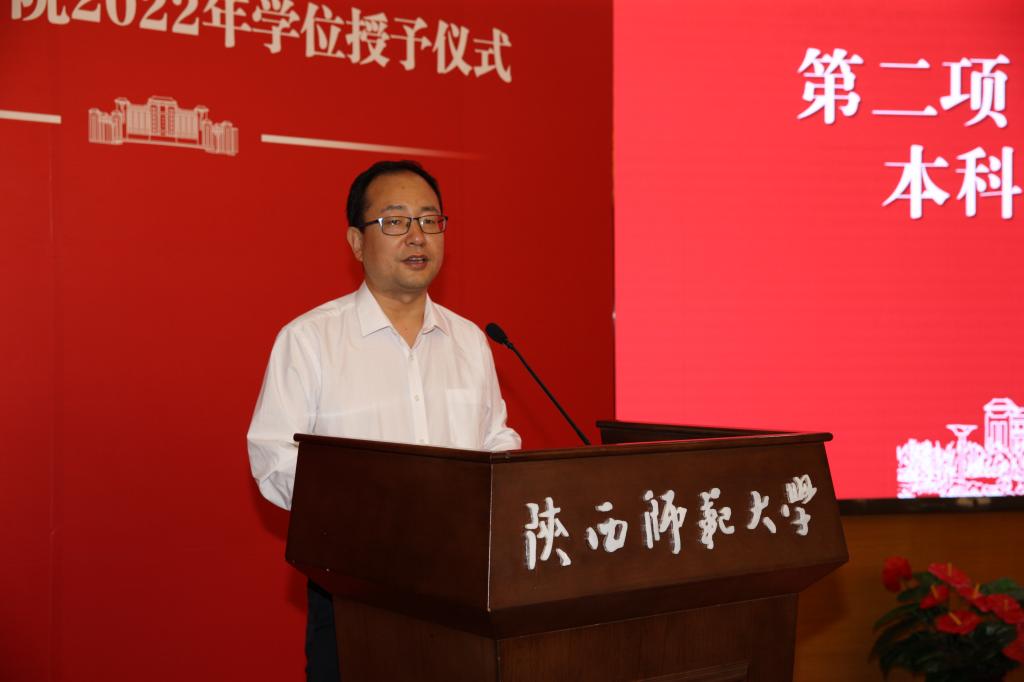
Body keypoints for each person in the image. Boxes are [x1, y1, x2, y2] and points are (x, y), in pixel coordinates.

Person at [246, 160, 521, 681]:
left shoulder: (470, 341)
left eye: (430, 220)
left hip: (463, 589)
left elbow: (494, 437)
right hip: (355, 591)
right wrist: (370, 514)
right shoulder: (310, 340)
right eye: (394, 221)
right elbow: (275, 457)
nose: (417, 236)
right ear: (356, 242)